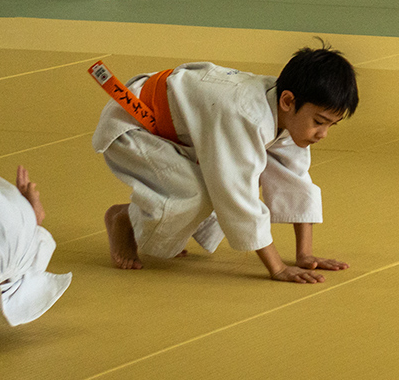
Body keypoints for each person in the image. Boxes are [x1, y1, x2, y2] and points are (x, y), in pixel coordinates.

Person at [95, 44, 357, 283]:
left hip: (176, 131)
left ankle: (155, 220)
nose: (322, 134)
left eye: (331, 125)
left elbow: (294, 178)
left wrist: (305, 254)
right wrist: (277, 268)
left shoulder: (284, 110)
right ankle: (124, 219)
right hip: (133, 124)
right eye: (319, 122)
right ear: (288, 101)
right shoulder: (246, 114)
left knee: (212, 188)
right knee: (198, 194)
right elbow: (236, 193)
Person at [0, 13, 75, 335]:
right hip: (1, 224)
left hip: (12, 223)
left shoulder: (27, 260)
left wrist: (30, 213)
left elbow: (41, 236)